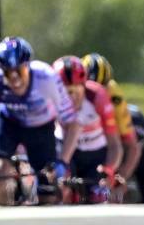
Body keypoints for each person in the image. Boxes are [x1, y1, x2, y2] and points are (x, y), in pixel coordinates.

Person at [0, 37, 81, 205]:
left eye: (19, 71)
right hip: (9, 122)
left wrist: (63, 161)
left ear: (28, 66)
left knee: (48, 192)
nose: (14, 79)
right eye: (7, 72)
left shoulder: (47, 79)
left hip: (41, 127)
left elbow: (73, 124)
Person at [52, 56, 122, 202]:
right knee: (61, 191)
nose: (73, 97)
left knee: (99, 195)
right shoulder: (51, 98)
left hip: (95, 154)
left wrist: (108, 170)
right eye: (67, 92)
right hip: (66, 149)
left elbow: (115, 145)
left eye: (78, 90)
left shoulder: (98, 97)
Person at [81, 53, 141, 193]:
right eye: (89, 88)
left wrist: (120, 176)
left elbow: (132, 146)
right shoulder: (68, 89)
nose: (96, 94)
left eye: (102, 88)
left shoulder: (115, 97)